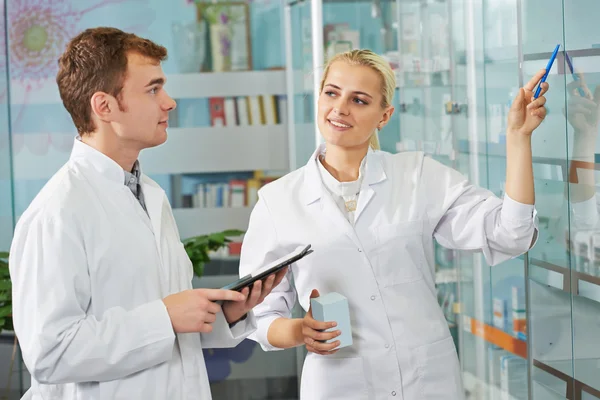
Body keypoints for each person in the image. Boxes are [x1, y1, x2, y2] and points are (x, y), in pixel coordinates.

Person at [239, 49, 548, 400]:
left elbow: (511, 234)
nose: (340, 108)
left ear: (384, 116)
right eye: (331, 92)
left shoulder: (417, 175)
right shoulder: (278, 201)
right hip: (340, 384)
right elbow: (257, 315)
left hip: (427, 381)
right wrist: (300, 331)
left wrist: (518, 138)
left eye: (359, 99)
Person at [9, 27, 286, 400]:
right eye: (153, 90)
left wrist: (227, 313)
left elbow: (170, 323)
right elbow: (50, 352)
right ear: (104, 106)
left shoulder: (150, 195)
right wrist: (165, 317)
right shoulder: (56, 213)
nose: (169, 102)